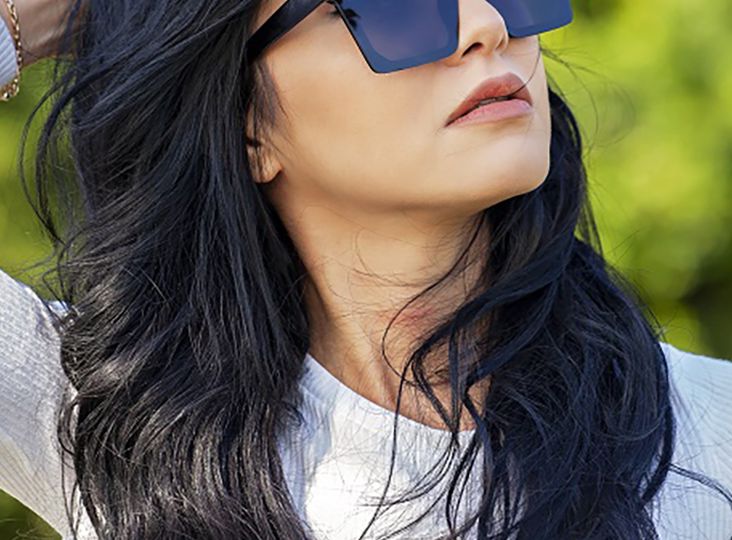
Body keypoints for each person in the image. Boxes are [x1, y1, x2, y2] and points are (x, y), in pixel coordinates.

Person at [1, 0, 731, 538]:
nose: (486, 26)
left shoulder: (710, 430)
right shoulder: (112, 425)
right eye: (395, 7)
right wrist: (33, 21)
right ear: (245, 124)